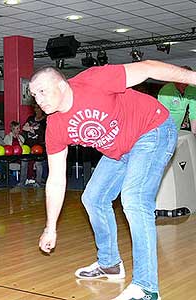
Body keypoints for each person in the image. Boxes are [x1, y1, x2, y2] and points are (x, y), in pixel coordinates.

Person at [28, 61, 194, 300]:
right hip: (120, 149)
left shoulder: (94, 80)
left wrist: (194, 78)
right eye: (34, 95)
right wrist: (50, 228)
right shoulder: (54, 126)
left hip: (153, 129)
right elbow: (55, 180)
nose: (38, 100)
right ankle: (109, 264)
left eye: (42, 91)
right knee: (94, 198)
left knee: (135, 199)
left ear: (61, 84)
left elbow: (147, 68)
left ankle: (147, 289)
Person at [157, 66, 196, 134]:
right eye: (181, 81)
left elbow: (193, 113)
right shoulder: (166, 91)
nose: (184, 84)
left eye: (186, 81)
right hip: (163, 128)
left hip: (177, 129)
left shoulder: (192, 89)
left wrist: (194, 133)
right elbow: (163, 115)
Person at [21, 103, 47, 187]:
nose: (36, 110)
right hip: (27, 144)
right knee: (24, 162)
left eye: (38, 108)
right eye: (35, 108)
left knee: (38, 164)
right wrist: (32, 129)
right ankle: (22, 181)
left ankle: (38, 182)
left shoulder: (44, 120)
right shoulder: (30, 118)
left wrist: (30, 129)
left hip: (38, 145)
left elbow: (41, 133)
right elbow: (24, 128)